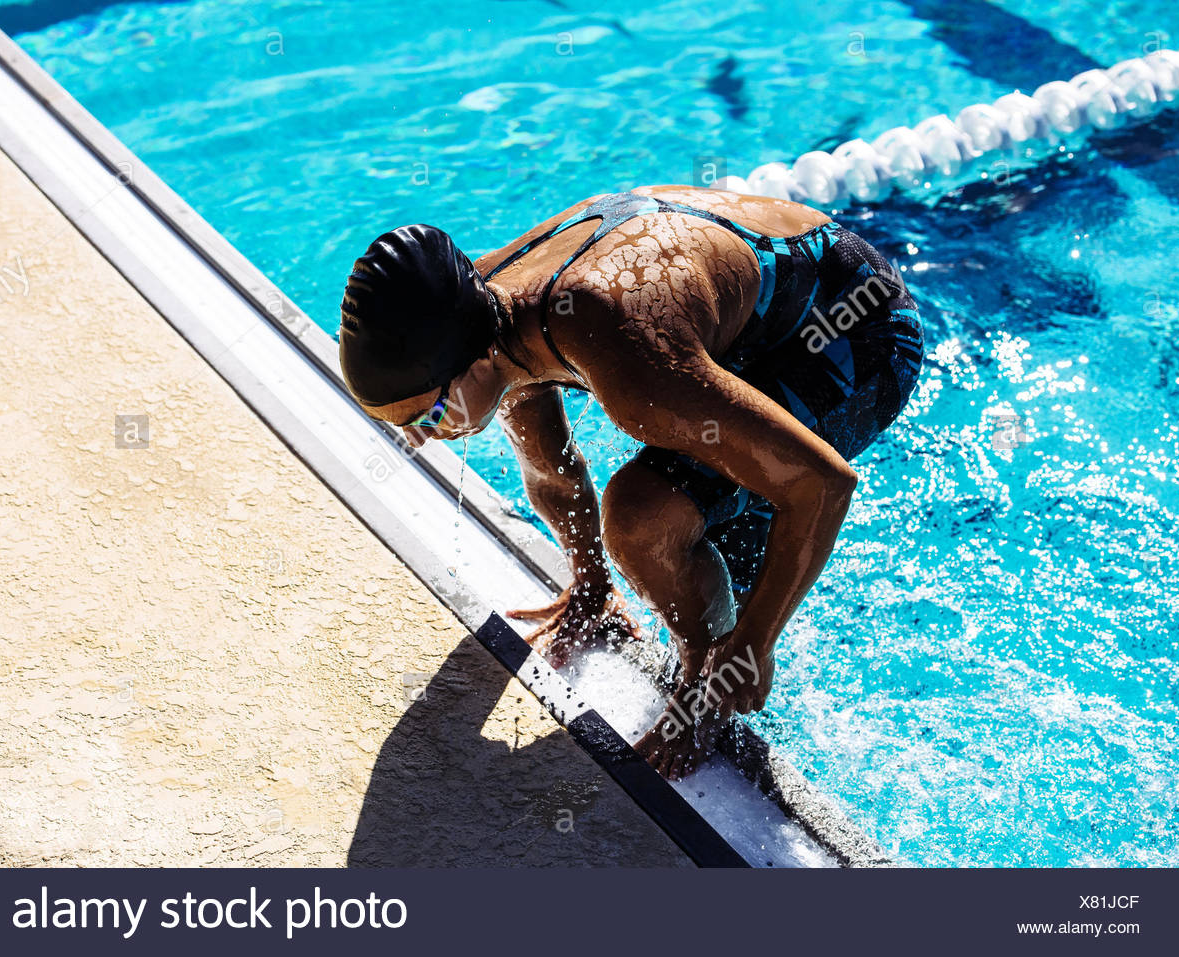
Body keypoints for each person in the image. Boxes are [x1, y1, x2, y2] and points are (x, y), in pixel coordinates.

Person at [338, 186, 923, 779]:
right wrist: (592, 590)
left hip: (856, 324)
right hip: (763, 298)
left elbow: (822, 484)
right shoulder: (489, 311)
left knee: (643, 518)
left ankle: (701, 673)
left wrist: (750, 646)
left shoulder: (625, 357)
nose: (422, 436)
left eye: (429, 416)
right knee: (691, 500)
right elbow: (551, 471)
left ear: (479, 361)